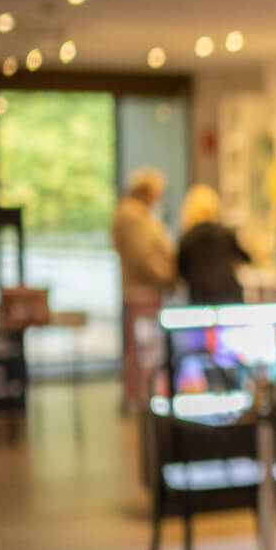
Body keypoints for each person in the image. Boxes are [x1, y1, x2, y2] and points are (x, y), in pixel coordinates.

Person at [109, 166, 175, 409]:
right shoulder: (133, 216)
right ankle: (140, 397)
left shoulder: (136, 214)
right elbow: (143, 256)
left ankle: (142, 395)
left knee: (143, 347)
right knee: (142, 348)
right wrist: (167, 276)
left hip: (145, 290)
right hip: (142, 291)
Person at [175, 184, 251, 305]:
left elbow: (181, 272)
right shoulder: (224, 233)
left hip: (200, 298)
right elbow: (246, 258)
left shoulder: (187, 239)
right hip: (229, 295)